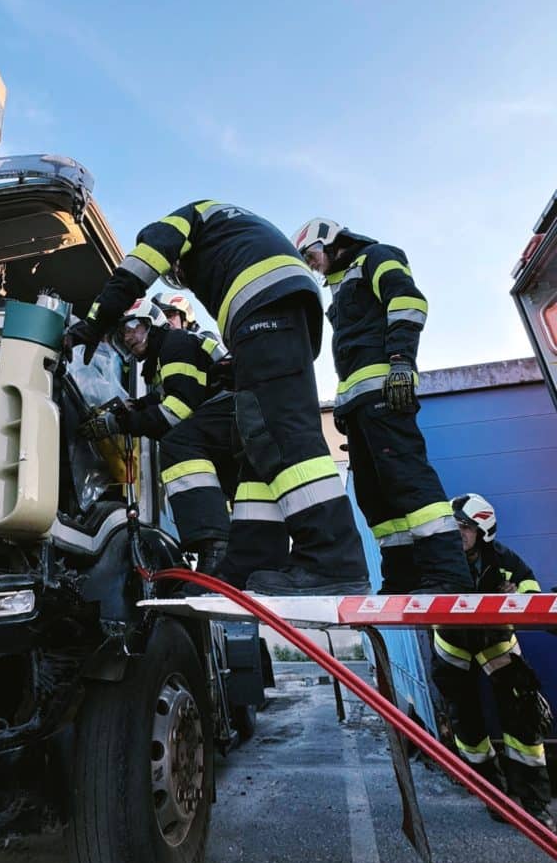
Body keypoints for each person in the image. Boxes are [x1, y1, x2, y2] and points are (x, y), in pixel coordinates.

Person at [67, 200, 369, 595]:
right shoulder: (227, 226)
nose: (179, 275)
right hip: (277, 311)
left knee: (282, 437)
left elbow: (136, 272)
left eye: (175, 270)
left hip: (265, 307)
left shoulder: (178, 224)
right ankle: (253, 561)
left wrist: (94, 323)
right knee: (260, 443)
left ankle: (334, 561)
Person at [293, 218, 472, 594]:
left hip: (386, 392)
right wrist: (343, 406)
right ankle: (402, 578)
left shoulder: (376, 256)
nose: (312, 265)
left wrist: (401, 361)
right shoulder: (342, 284)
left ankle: (447, 575)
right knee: (375, 495)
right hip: (359, 402)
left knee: (408, 479)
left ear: (328, 242)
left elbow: (408, 301)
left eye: (311, 256)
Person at [80, 297, 234, 573]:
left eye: (133, 327)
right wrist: (136, 406)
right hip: (232, 419)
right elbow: (171, 395)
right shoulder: (162, 357)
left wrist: (118, 424)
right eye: (123, 333)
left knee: (179, 442)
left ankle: (215, 547)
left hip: (233, 408)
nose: (128, 337)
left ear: (153, 324)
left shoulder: (175, 345)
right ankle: (222, 551)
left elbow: (178, 410)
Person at [431, 494, 555, 831]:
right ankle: (494, 797)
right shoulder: (439, 559)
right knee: (468, 729)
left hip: (498, 646)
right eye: (454, 527)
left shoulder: (503, 559)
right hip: (453, 651)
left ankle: (535, 805)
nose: (458, 534)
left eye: (465, 528)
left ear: (483, 530)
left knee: (523, 722)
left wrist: (517, 598)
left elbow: (532, 591)